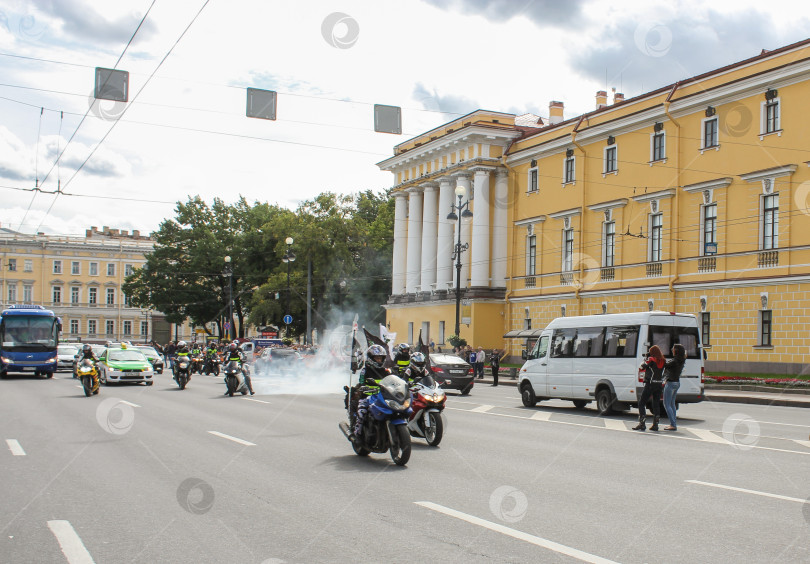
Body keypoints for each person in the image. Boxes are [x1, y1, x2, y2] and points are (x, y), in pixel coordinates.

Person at [353, 344, 391, 439]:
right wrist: (368, 389)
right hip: (368, 398)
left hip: (383, 398)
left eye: (380, 358)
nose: (379, 360)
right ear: (371, 358)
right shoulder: (365, 371)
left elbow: (393, 381)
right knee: (361, 412)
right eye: (377, 358)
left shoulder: (386, 371)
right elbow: (361, 385)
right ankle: (357, 433)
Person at [633, 345, 665, 431]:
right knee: (656, 404)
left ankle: (642, 423)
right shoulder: (663, 360)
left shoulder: (651, 359)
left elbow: (641, 367)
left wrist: (646, 358)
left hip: (650, 384)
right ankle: (656, 425)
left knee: (642, 403)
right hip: (659, 384)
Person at [663, 344, 686, 431]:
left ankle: (673, 424)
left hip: (670, 383)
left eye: (673, 349)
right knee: (672, 404)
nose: (672, 350)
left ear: (676, 351)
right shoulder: (681, 360)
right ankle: (674, 423)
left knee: (667, 404)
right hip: (677, 383)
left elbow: (665, 365)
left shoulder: (674, 361)